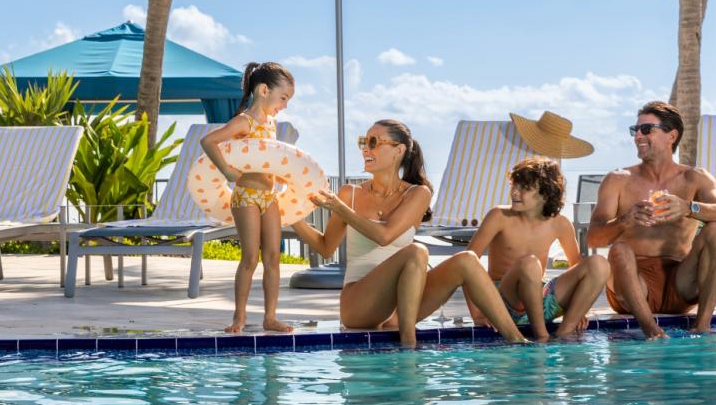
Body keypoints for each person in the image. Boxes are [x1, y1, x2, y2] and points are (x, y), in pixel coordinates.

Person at [290, 119, 527, 347]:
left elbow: (386, 236)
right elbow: (325, 247)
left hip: (402, 308)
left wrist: (341, 210)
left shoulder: (418, 193)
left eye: (374, 142)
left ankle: (517, 340)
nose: (365, 149)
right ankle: (409, 345)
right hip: (359, 305)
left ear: (398, 151)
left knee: (467, 260)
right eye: (364, 142)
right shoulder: (348, 194)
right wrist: (291, 217)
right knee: (416, 252)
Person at [587, 100, 716, 338]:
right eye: (635, 130)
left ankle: (702, 327)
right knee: (619, 249)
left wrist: (689, 207)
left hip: (681, 281)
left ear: (672, 135)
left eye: (646, 129)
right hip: (634, 286)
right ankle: (651, 331)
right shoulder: (617, 179)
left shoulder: (694, 177)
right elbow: (593, 238)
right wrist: (625, 220)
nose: (638, 136)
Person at [464, 157, 609, 341]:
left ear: (545, 194)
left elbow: (576, 265)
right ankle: (542, 338)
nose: (515, 192)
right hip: (503, 303)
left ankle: (565, 332)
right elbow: (467, 263)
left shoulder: (560, 223)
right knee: (529, 264)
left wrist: (579, 309)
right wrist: (478, 315)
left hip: (540, 302)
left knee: (599, 264)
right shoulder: (499, 216)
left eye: (524, 188)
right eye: (514, 185)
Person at [201, 62, 296, 334]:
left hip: (269, 195)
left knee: (274, 256)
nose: (285, 105)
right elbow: (209, 142)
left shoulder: (271, 123)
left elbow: (269, 159)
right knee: (250, 258)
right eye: (284, 98)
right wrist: (228, 171)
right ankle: (239, 318)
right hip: (246, 196)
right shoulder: (245, 121)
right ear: (264, 90)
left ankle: (270, 317)